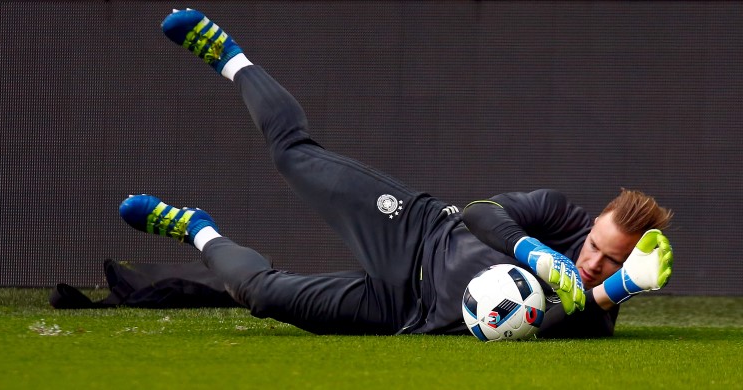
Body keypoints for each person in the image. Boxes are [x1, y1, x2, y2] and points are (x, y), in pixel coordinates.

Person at [119, 8, 674, 338]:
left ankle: (196, 228)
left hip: (399, 310)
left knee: (262, 296)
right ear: (595, 220)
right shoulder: (556, 213)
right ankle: (231, 57)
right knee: (292, 154)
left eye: (613, 263)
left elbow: (551, 332)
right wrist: (536, 253)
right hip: (415, 231)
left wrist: (613, 291)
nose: (594, 262)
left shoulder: (599, 309)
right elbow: (482, 214)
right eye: (596, 246)